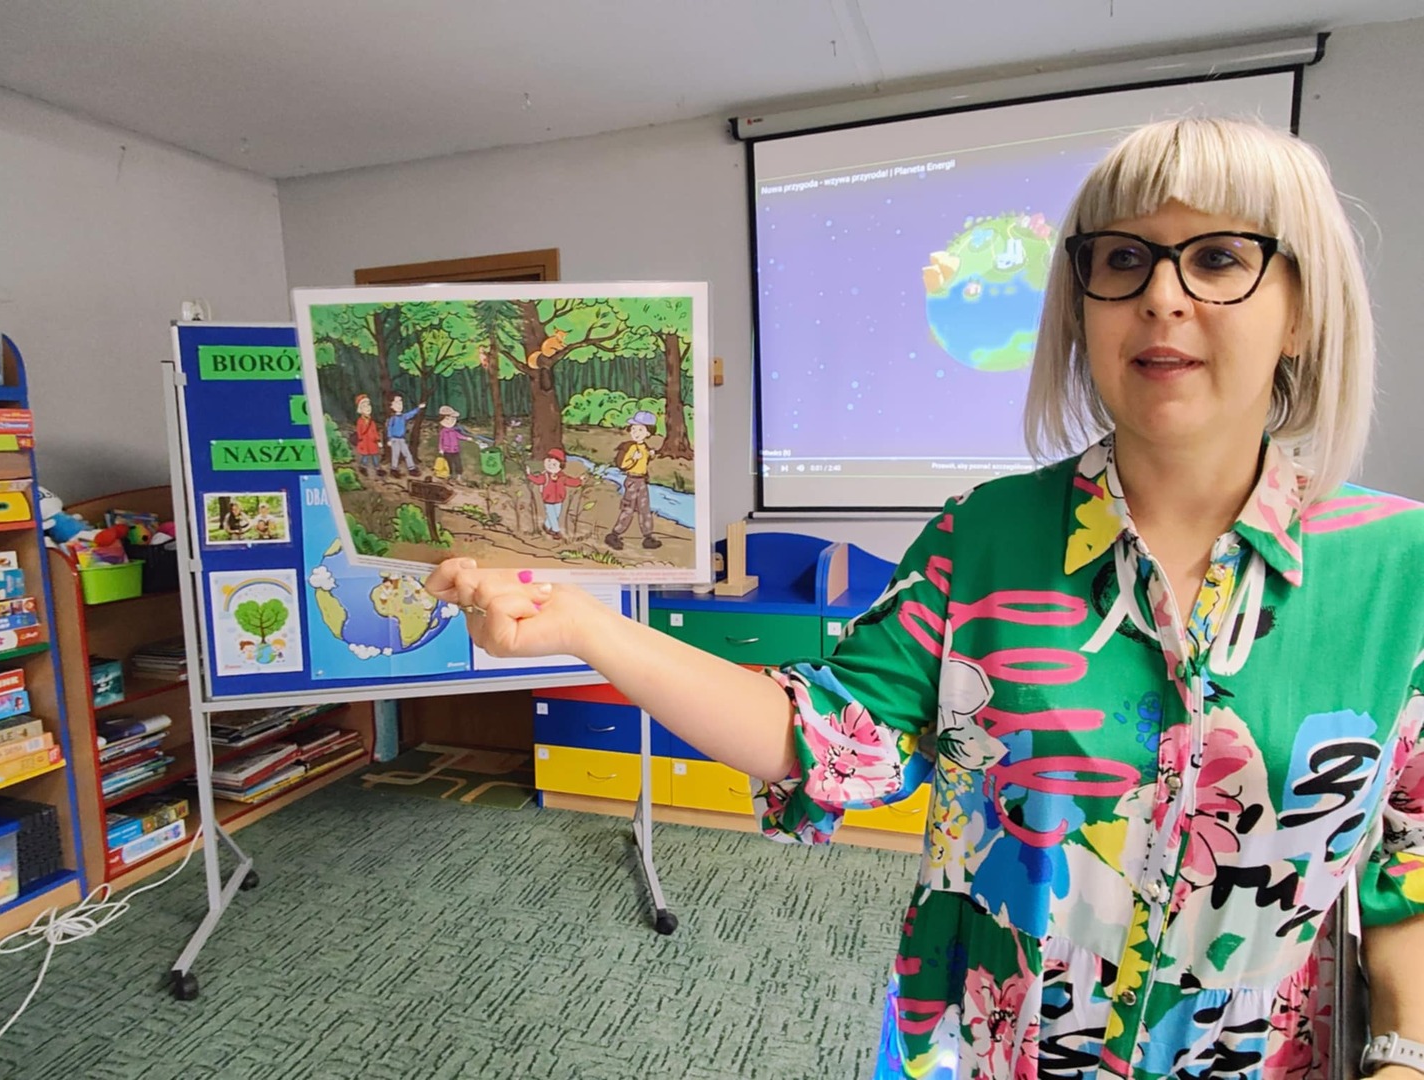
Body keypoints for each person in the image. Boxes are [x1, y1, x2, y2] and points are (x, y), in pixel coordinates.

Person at [426, 118, 1424, 1080]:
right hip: (998, 1051)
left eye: (1216, 259)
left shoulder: (1399, 568)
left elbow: (1410, 864)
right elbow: (824, 738)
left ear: (1301, 311)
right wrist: (583, 625)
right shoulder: (981, 538)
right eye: (1122, 260)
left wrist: (1403, 1053)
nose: (1160, 296)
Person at [605, 410, 661, 550]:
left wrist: (651, 455)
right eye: (634, 429)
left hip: (642, 481)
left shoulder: (644, 447)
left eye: (640, 430)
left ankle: (648, 537)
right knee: (628, 509)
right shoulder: (630, 447)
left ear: (648, 433)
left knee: (644, 509)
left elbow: (645, 459)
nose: (636, 432)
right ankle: (614, 534)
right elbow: (623, 465)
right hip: (632, 481)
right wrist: (633, 459)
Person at [527, 447, 583, 538]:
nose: (550, 465)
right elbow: (538, 480)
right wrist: (530, 475)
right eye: (548, 462)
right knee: (552, 514)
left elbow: (570, 481)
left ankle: (546, 525)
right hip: (548, 499)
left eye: (554, 464)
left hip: (559, 499)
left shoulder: (562, 477)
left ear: (560, 466)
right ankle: (555, 531)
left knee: (556, 514)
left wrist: (579, 480)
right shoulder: (545, 475)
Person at [384, 393, 425, 476]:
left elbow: (411, 413)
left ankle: (411, 468)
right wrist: (389, 439)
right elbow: (389, 429)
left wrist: (418, 408)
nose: (399, 405)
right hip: (394, 439)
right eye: (397, 403)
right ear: (391, 406)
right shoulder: (392, 418)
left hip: (402, 439)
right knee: (395, 454)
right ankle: (394, 468)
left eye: (401, 403)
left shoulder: (403, 416)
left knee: (407, 453)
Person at [353, 393, 382, 476]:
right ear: (360, 409)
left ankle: (378, 468)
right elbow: (360, 431)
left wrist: (378, 440)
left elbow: (375, 431)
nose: (368, 408)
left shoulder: (372, 421)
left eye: (368, 405)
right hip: (365, 442)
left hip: (372, 442)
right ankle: (363, 467)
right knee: (365, 456)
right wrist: (361, 438)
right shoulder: (360, 421)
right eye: (364, 406)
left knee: (375, 455)